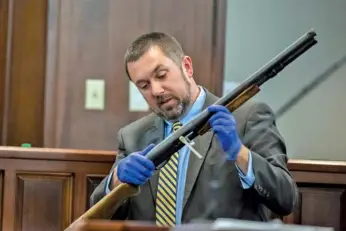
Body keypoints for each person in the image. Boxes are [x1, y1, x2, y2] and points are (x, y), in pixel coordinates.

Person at [90, 32, 298, 227]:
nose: (156, 90)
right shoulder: (132, 136)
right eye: (144, 85)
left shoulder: (247, 117)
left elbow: (286, 199)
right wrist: (117, 180)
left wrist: (240, 154)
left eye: (161, 75)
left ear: (187, 67)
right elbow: (97, 215)